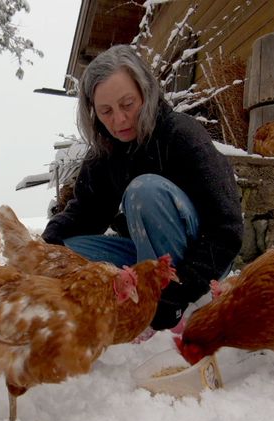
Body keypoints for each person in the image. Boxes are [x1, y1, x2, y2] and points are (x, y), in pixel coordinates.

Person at [42, 44, 243, 331]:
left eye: (127, 105)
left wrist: (178, 292)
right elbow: (86, 213)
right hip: (146, 259)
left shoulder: (182, 136)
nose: (119, 120)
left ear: (145, 94)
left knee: (144, 191)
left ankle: (165, 302)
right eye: (106, 111)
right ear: (93, 112)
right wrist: (43, 249)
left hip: (200, 263)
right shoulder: (105, 152)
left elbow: (226, 230)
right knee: (68, 252)